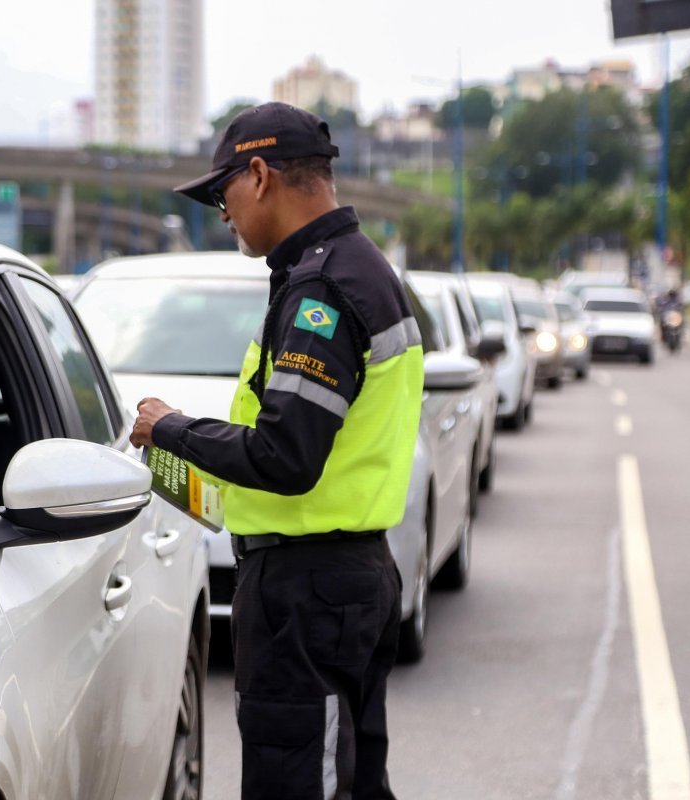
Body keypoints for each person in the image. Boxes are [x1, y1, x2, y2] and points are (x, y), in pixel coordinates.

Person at [129, 102, 424, 800]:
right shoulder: (353, 268)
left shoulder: (322, 290)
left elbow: (288, 455)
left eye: (222, 191)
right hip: (342, 579)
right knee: (347, 781)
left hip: (307, 593)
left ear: (259, 175)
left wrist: (170, 428)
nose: (222, 213)